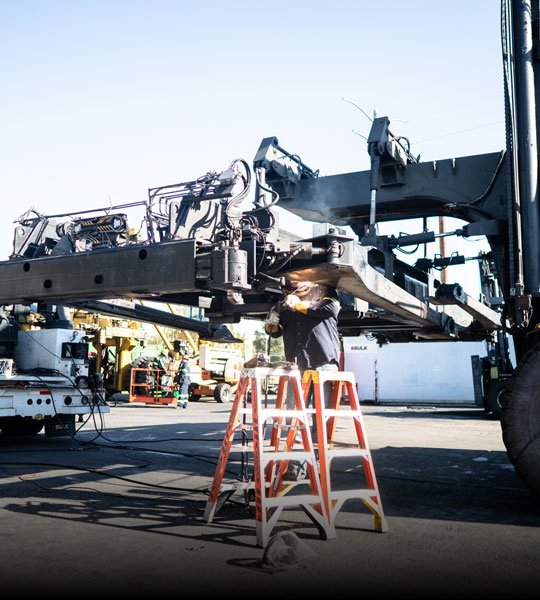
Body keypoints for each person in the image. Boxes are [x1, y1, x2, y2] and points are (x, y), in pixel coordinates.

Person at [265, 279, 341, 478]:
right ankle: (296, 463)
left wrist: (298, 305)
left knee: (320, 415)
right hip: (297, 365)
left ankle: (316, 463)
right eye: (287, 289)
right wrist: (271, 321)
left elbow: (332, 308)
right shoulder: (282, 305)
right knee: (293, 413)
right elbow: (275, 333)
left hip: (323, 361)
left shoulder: (323, 291)